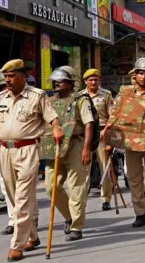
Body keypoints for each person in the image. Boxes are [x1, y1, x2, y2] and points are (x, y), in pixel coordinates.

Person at [0, 59, 64, 262]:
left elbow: (52, 118)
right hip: (5, 151)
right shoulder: (0, 98)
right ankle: (32, 237)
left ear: (23, 76)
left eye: (12, 76)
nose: (7, 80)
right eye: (5, 77)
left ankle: (16, 246)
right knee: (14, 197)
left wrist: (57, 128)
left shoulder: (37, 96)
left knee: (23, 198)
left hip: (27, 150)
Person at [103, 58, 145, 229]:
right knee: (134, 178)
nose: (144, 77)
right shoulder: (124, 92)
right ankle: (140, 213)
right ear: (135, 74)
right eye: (141, 73)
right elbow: (114, 117)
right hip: (130, 141)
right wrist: (108, 140)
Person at [41, 66, 94, 241]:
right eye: (55, 80)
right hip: (55, 147)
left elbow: (88, 124)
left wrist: (86, 148)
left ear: (71, 82)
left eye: (61, 80)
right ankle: (69, 217)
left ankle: (76, 227)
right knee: (51, 187)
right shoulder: (49, 101)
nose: (57, 83)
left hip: (76, 145)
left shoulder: (81, 99)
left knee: (76, 187)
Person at [79, 68, 114, 211]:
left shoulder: (106, 95)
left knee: (104, 166)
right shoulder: (79, 96)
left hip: (102, 134)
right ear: (85, 81)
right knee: (83, 168)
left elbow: (112, 116)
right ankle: (81, 199)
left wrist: (105, 131)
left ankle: (106, 198)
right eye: (90, 80)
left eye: (96, 79)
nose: (93, 82)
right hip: (86, 136)